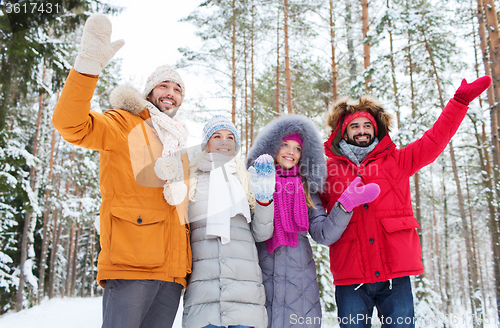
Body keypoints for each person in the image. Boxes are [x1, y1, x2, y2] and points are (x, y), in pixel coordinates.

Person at [51, 14, 191, 328]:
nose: (170, 91)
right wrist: (88, 66)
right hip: (132, 263)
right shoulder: (123, 123)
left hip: (172, 271)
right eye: (163, 85)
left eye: (178, 88)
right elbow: (70, 124)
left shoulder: (178, 140)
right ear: (149, 90)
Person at [320, 75, 492, 327]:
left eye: (366, 126)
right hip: (351, 276)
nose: (361, 131)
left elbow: (434, 140)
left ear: (376, 129)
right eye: (354, 126)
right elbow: (308, 202)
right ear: (343, 132)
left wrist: (458, 102)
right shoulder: (327, 170)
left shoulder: (397, 161)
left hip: (395, 275)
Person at [246, 114, 380, 328]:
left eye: (298, 148)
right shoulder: (252, 182)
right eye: (285, 144)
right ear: (271, 145)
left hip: (300, 285)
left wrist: (345, 205)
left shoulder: (307, 188)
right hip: (261, 274)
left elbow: (323, 234)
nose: (291, 152)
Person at [182, 115, 275, 328]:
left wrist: (264, 198)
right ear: (206, 143)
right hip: (203, 296)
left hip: (245, 295)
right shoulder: (191, 178)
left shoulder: (245, 178)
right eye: (217, 136)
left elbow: (261, 234)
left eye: (230, 137)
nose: (224, 141)